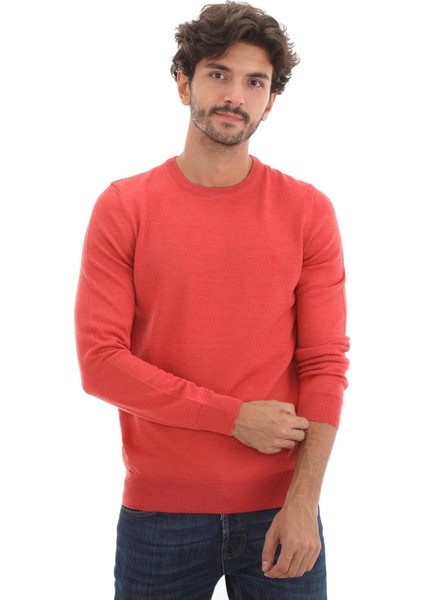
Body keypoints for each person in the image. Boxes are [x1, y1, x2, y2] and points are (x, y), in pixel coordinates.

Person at [74, 2, 350, 598]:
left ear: (270, 101)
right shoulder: (124, 208)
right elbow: (100, 363)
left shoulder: (307, 212)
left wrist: (304, 502)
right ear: (184, 84)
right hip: (159, 516)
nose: (235, 96)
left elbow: (325, 365)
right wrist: (232, 418)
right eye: (218, 74)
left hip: (282, 511)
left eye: (255, 83)